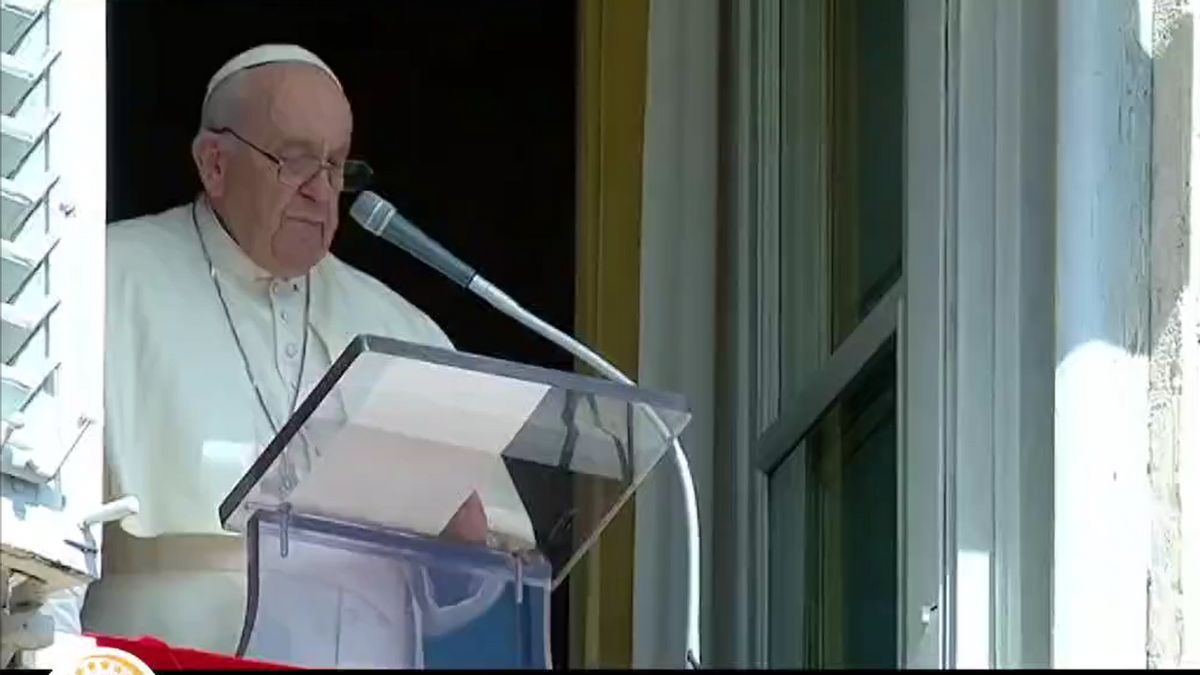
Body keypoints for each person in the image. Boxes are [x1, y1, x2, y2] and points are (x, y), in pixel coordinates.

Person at [60, 44, 527, 662]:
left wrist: (463, 552)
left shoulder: (401, 327)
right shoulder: (101, 278)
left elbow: (482, 579)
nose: (322, 191)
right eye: (296, 161)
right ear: (215, 164)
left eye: (337, 166)